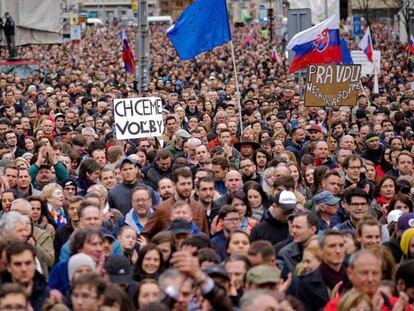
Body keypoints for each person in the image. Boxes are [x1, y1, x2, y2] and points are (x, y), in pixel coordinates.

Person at [297, 230, 349, 311]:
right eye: (332, 246)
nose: (338, 251)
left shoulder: (354, 278)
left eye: (341, 245)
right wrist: (331, 306)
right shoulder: (306, 284)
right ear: (321, 250)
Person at [2, 242, 49, 310]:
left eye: (28, 263)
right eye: (18, 264)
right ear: (9, 267)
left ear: (35, 264)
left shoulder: (49, 295)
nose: (23, 269)